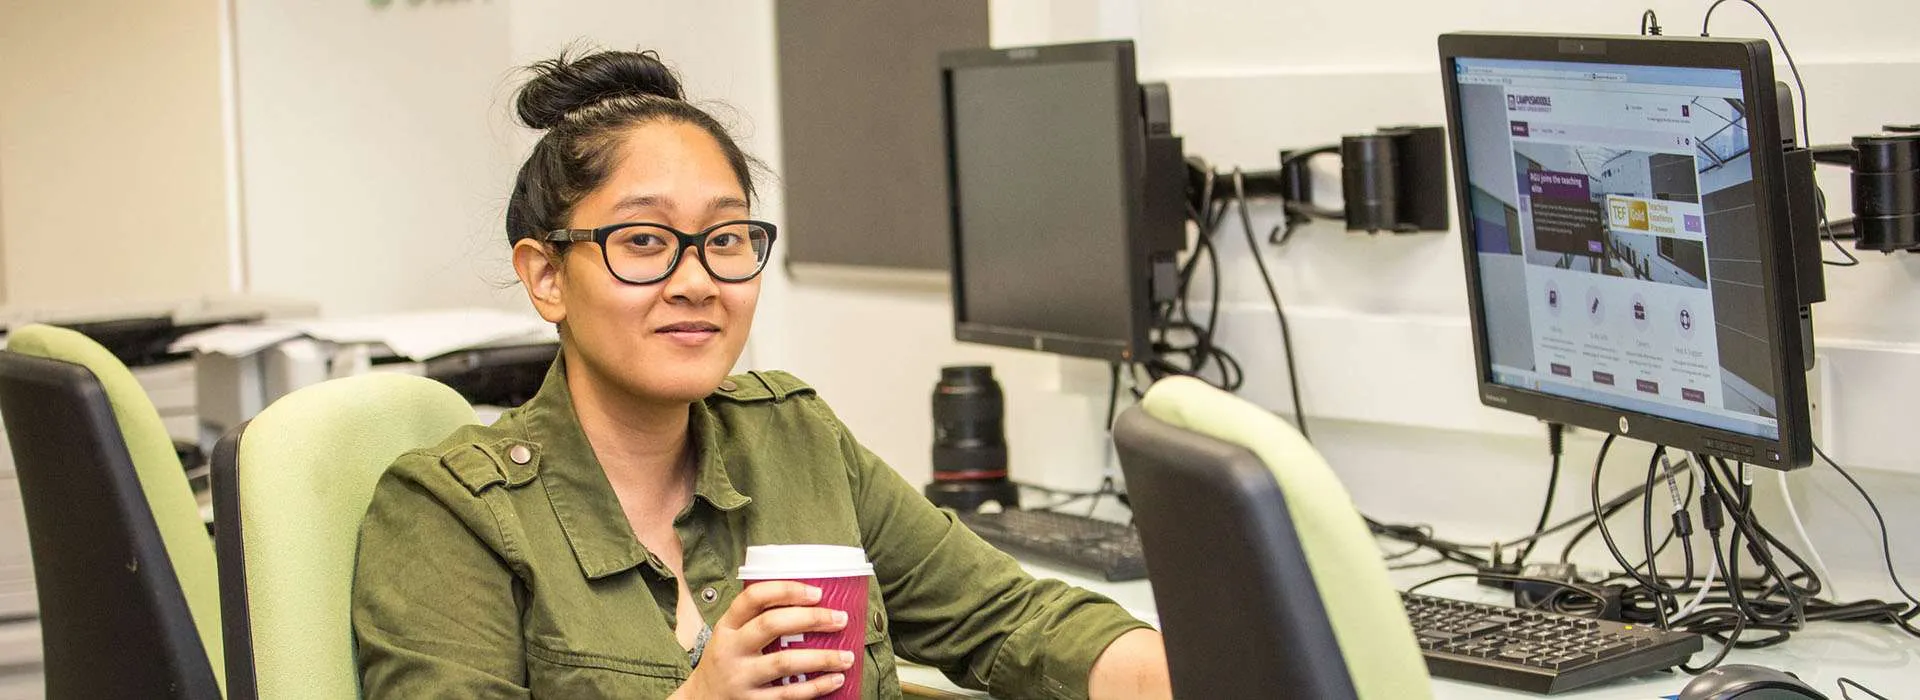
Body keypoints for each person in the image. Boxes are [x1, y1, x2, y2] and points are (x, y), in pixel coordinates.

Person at [351, 48, 1173, 699]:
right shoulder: (449, 515)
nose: (697, 280)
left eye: (726, 239)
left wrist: (1212, 672)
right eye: (643, 241)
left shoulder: (795, 439)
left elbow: (1011, 621)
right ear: (546, 277)